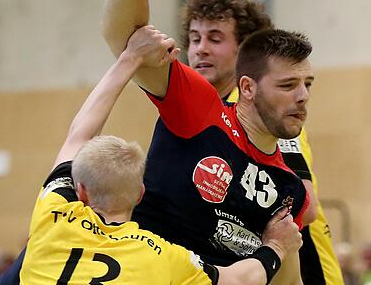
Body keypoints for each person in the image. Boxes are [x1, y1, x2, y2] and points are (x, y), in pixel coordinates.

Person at [101, 0, 343, 285]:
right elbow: (122, 36)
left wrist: (268, 248)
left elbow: (297, 233)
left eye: (215, 39)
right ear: (248, 86)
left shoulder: (285, 180)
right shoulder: (198, 104)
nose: (200, 49)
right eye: (195, 38)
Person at [20, 25, 302, 284]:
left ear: (80, 191)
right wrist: (275, 247)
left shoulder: (54, 213)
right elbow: (236, 281)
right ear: (141, 194)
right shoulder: (161, 256)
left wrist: (128, 59)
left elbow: (78, 135)